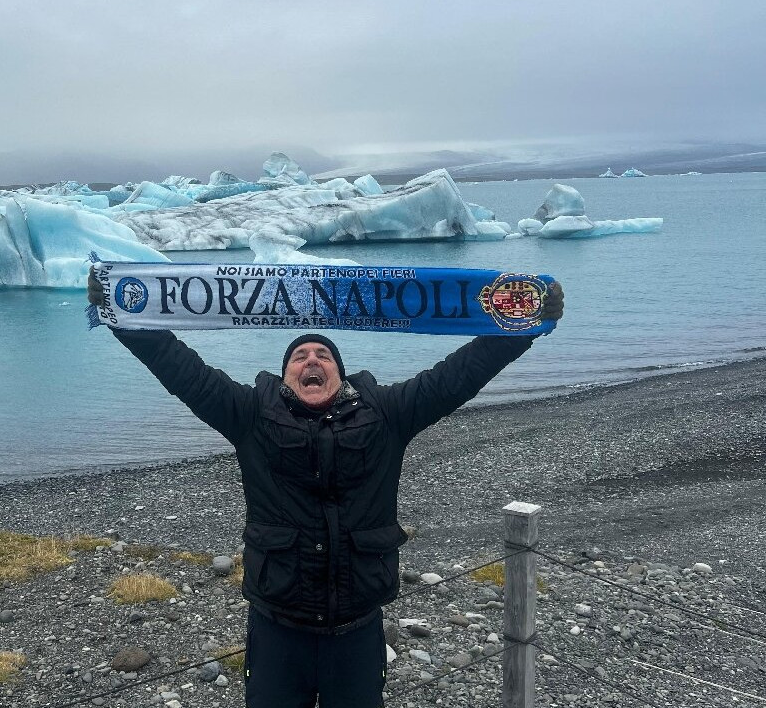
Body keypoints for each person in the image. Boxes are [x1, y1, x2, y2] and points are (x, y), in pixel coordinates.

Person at [88, 270, 563, 707]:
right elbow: (182, 370)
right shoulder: (250, 415)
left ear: (339, 373)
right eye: (300, 356)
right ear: (285, 376)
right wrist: (123, 313)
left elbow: (458, 375)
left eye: (323, 356)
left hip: (355, 632)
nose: (311, 360)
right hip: (277, 631)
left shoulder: (386, 413)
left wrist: (524, 324)